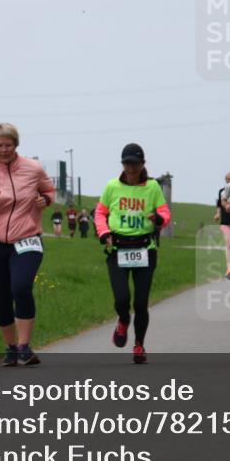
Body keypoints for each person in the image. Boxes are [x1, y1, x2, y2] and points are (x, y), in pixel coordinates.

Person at [0, 123, 55, 367]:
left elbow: (49, 189)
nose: (4, 150)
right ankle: (11, 348)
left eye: (8, 145)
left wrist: (45, 199)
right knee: (2, 296)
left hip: (27, 238)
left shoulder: (33, 168)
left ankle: (24, 346)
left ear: (16, 144)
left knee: (21, 287)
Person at [95, 143, 171, 365]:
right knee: (122, 299)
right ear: (122, 164)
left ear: (143, 164)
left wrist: (159, 219)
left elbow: (164, 212)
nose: (131, 168)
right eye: (127, 163)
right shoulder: (112, 186)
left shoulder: (152, 187)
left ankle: (139, 344)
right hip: (118, 248)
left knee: (140, 302)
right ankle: (123, 319)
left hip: (144, 249)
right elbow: (100, 213)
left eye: (135, 164)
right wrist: (104, 233)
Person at [215, 173, 230, 280]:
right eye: (228, 179)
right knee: (229, 244)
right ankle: (229, 269)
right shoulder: (221, 191)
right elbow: (219, 205)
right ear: (225, 180)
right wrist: (217, 214)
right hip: (226, 221)